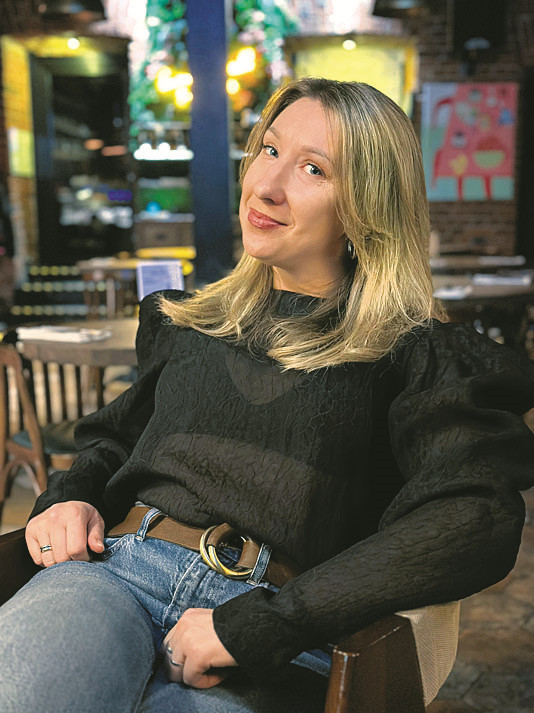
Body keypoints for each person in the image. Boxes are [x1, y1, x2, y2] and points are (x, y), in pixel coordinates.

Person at [1, 77, 533, 713]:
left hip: (266, 625)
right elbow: (115, 439)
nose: (267, 186)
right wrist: (69, 496)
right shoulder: (191, 325)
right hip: (115, 574)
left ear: (367, 206)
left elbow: (473, 518)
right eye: (270, 150)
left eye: (313, 169)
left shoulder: (413, 356)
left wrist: (269, 624)